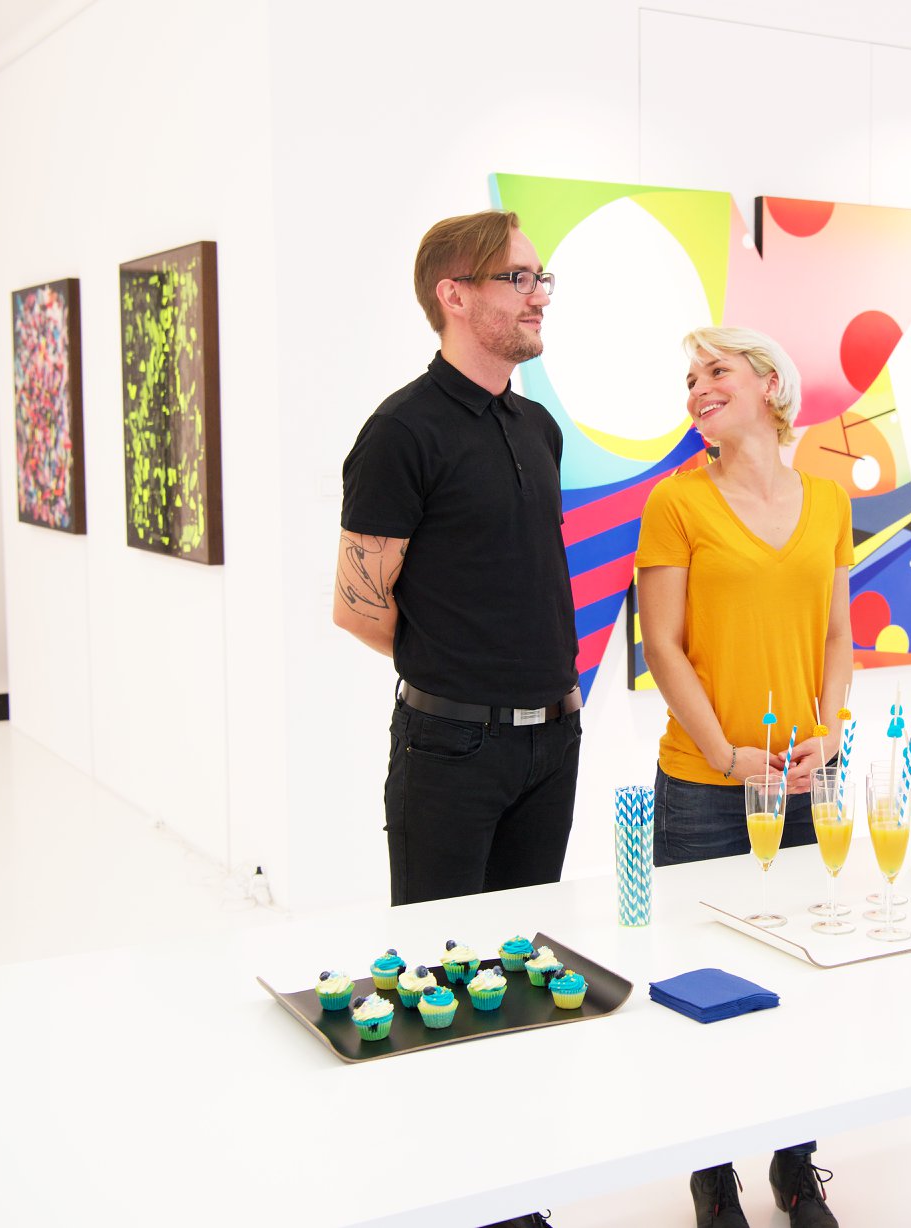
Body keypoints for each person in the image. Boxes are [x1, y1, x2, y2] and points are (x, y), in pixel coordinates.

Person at [636, 326, 850, 1228]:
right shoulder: (676, 502)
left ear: (769, 384)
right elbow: (662, 646)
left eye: (715, 371)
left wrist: (829, 733)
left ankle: (795, 1167)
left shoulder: (830, 501)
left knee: (806, 972)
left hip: (805, 784)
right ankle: (711, 1172)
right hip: (704, 785)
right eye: (690, 378)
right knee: (704, 981)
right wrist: (727, 756)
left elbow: (837, 637)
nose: (697, 388)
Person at [334, 209, 582, 918]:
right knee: (444, 961)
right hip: (451, 747)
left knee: (529, 956)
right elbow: (357, 607)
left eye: (541, 278)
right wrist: (463, 671)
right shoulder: (401, 431)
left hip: (556, 738)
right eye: (517, 278)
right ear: (455, 295)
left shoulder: (539, 428)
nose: (538, 295)